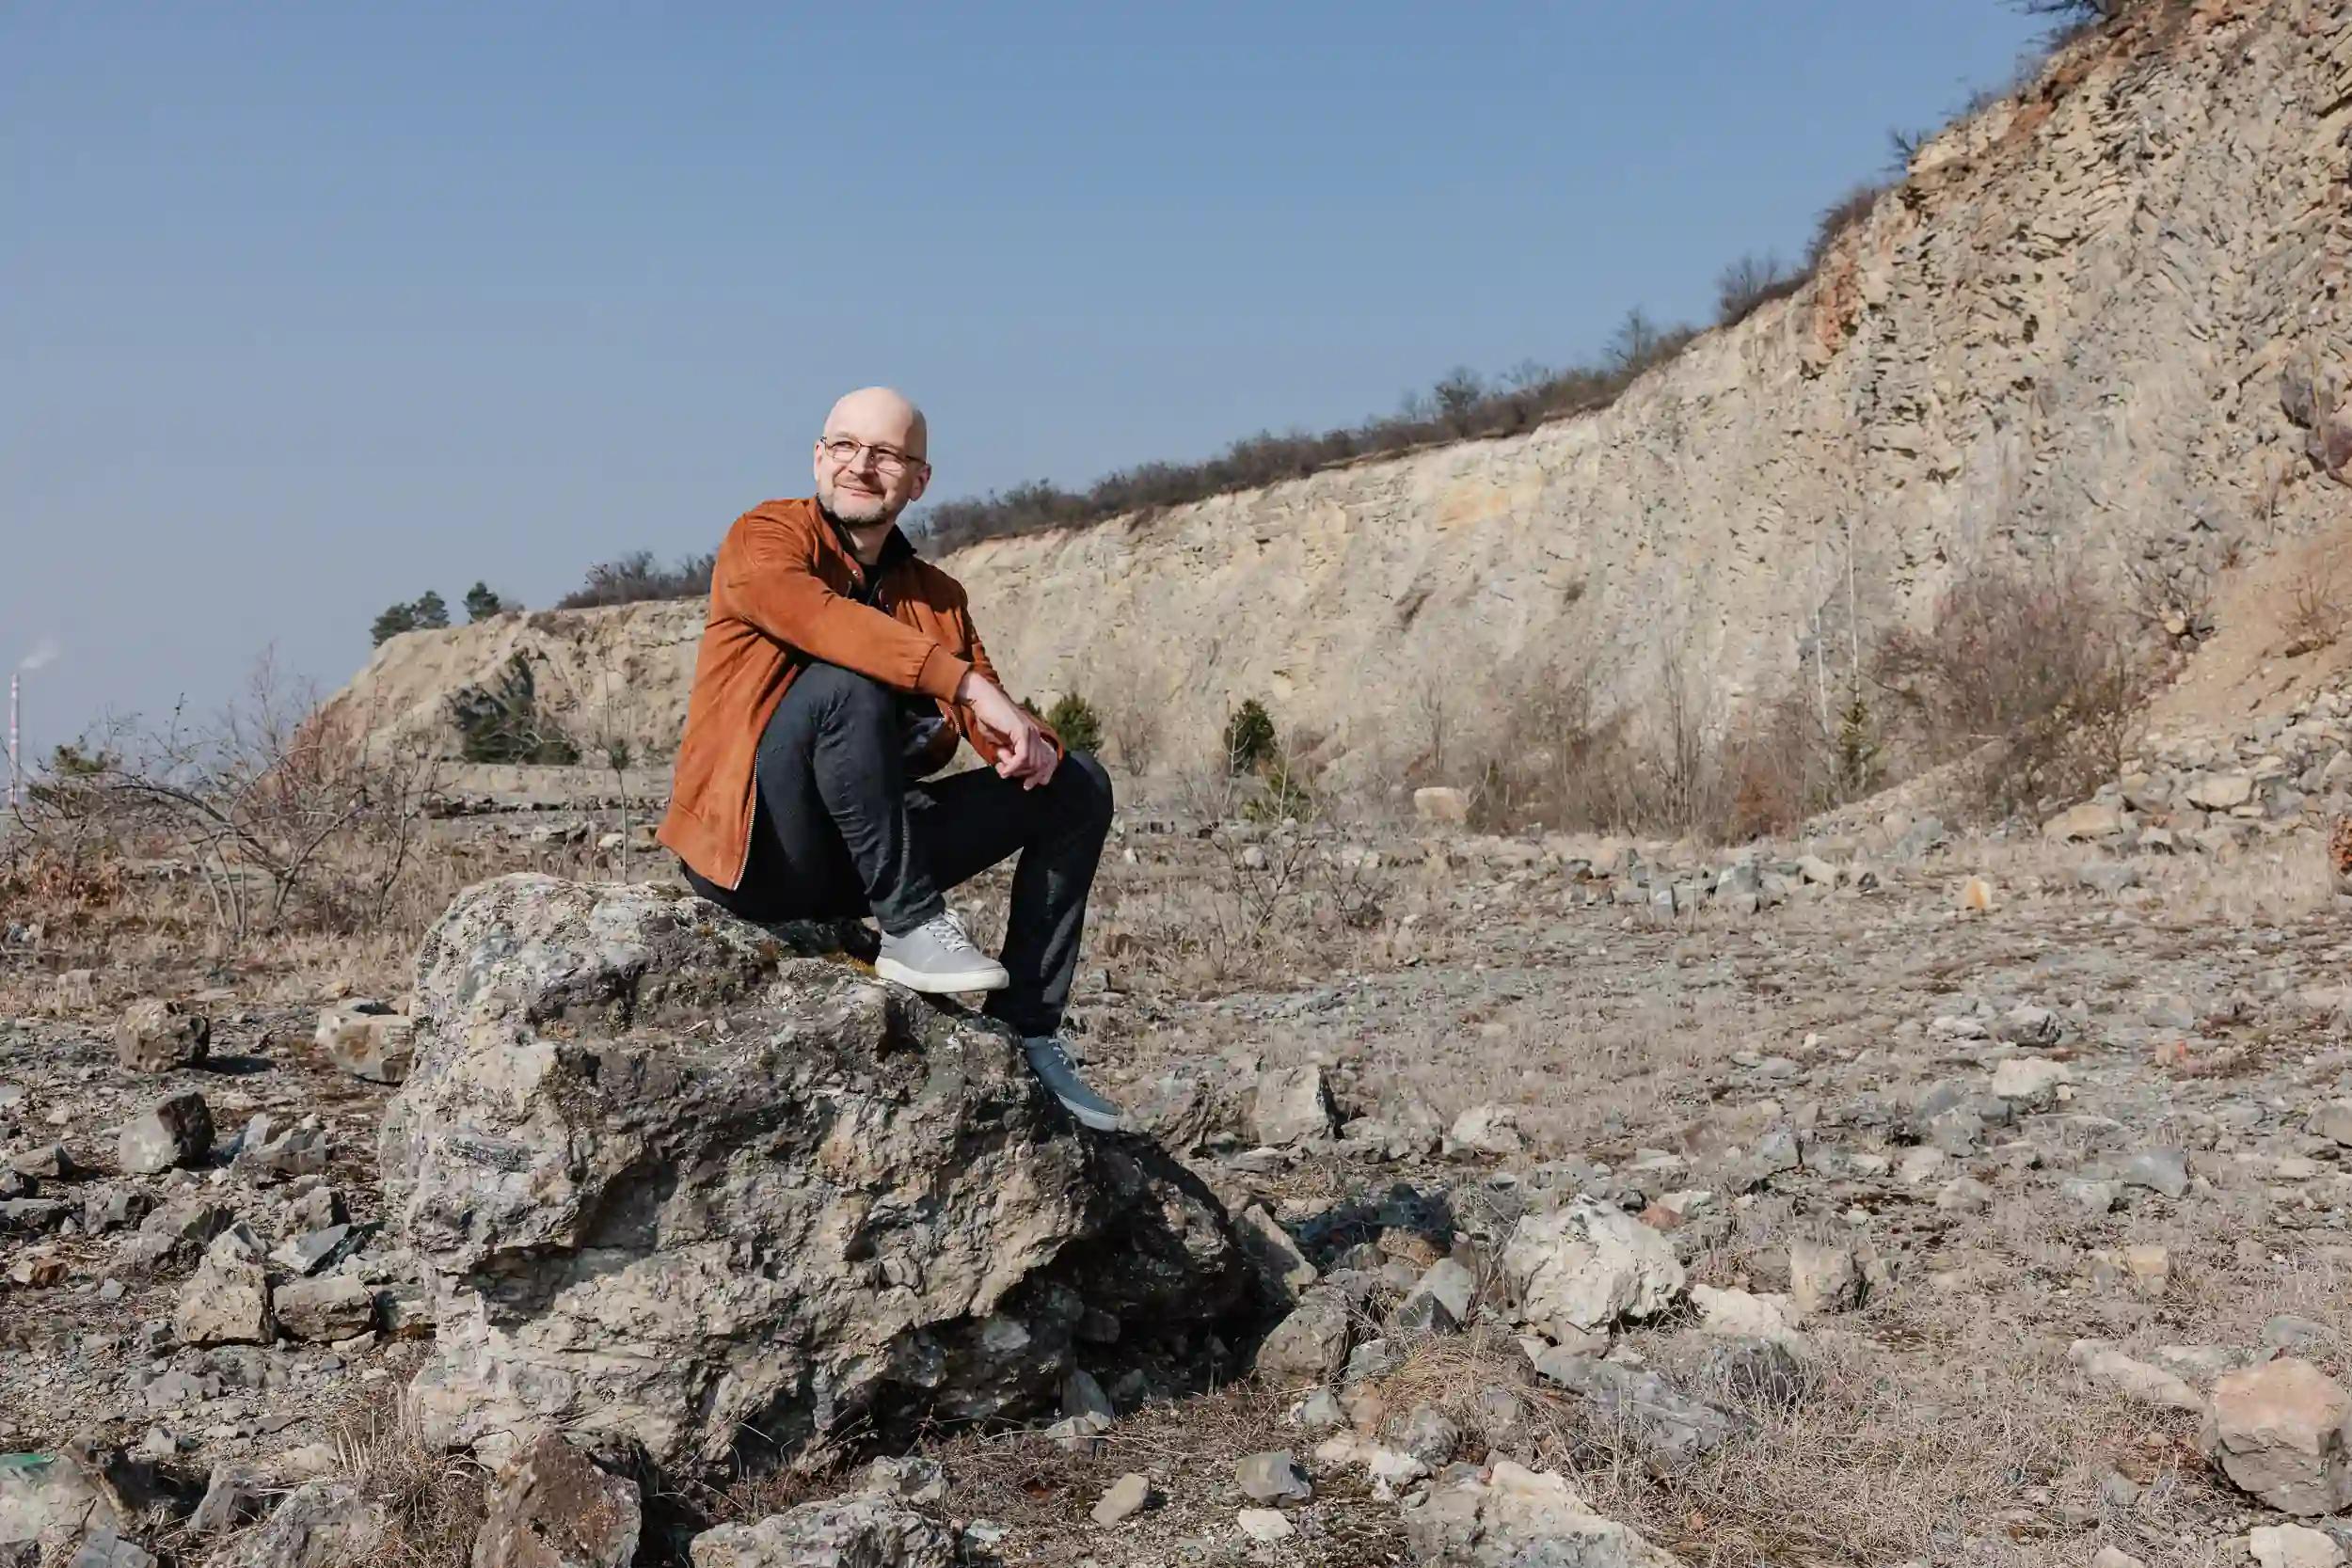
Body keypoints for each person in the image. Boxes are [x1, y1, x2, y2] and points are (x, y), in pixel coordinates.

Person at [657, 387, 1123, 1130]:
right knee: (847, 682)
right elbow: (827, 623)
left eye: (884, 453)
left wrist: (1024, 742)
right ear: (818, 457)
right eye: (844, 446)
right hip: (757, 850)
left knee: (1077, 783)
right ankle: (911, 925)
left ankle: (1029, 1031)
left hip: (859, 856)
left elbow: (989, 712)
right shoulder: (763, 537)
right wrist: (961, 683)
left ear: (919, 479)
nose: (860, 465)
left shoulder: (936, 595)